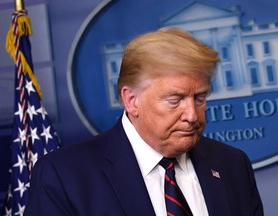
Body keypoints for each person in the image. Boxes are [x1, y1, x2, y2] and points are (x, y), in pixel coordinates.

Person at [24, 28, 263, 216]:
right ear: (131, 100)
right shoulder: (64, 176)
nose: (192, 115)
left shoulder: (232, 164)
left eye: (200, 98)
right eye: (175, 99)